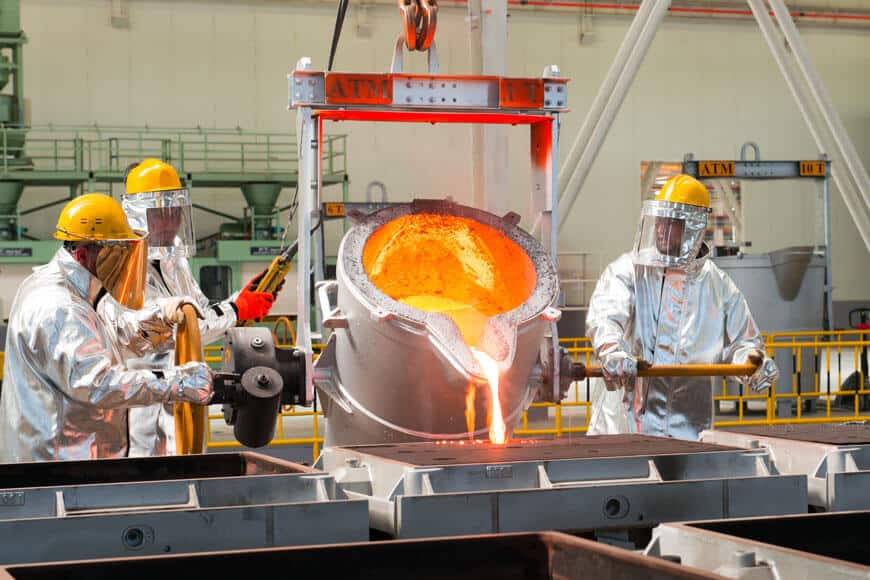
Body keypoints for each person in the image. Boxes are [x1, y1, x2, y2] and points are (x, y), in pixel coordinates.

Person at [0, 193, 213, 462]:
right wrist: (178, 383)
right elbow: (98, 385)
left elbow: (110, 334)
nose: (124, 262)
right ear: (86, 252)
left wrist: (161, 317)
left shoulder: (76, 288)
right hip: (59, 468)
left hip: (75, 460)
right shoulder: (58, 306)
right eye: (118, 252)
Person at [585, 174, 779, 440]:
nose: (661, 229)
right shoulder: (628, 271)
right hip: (623, 430)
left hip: (689, 434)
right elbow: (606, 318)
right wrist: (612, 351)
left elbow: (742, 343)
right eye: (659, 221)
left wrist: (753, 363)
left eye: (672, 223)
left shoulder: (718, 286)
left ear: (695, 227)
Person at [121, 158, 280, 456]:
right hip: (144, 418)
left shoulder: (173, 256)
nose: (169, 223)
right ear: (137, 216)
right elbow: (175, 331)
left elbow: (200, 311)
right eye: (160, 215)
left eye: (175, 212)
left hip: (185, 402)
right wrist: (237, 310)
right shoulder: (128, 270)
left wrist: (240, 300)